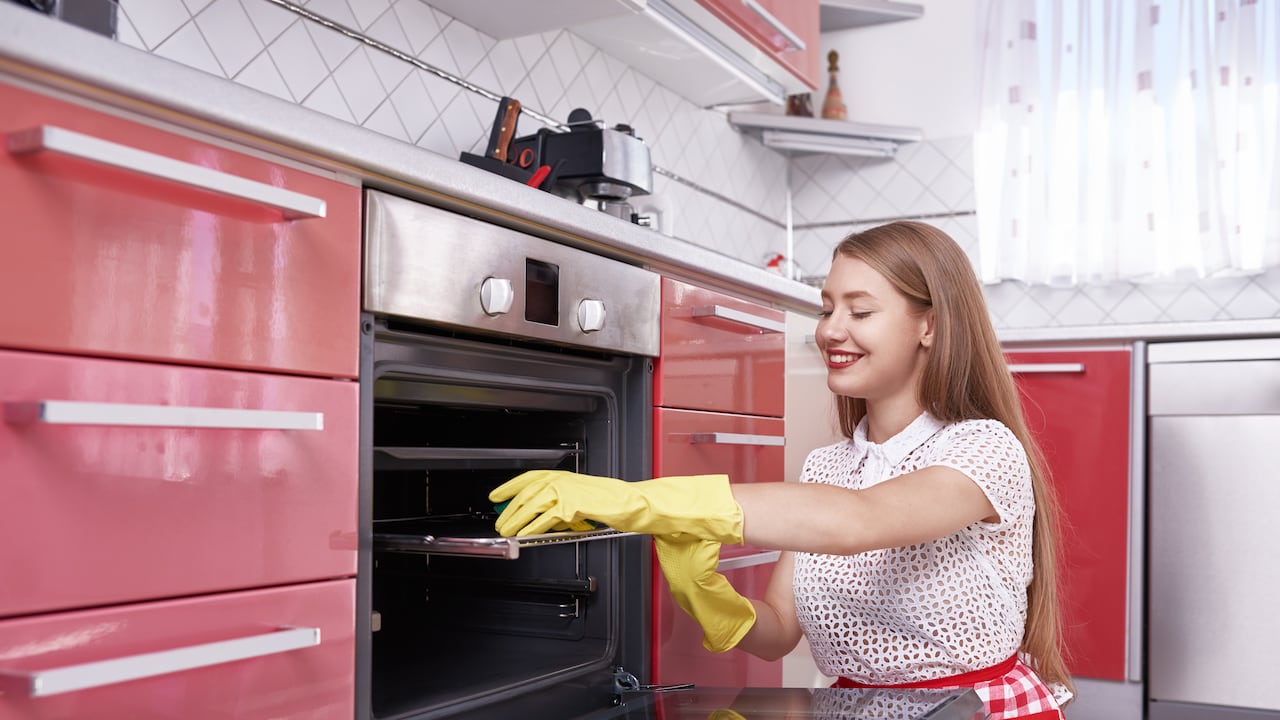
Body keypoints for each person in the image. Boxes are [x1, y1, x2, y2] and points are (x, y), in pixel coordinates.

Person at [489, 221, 1074, 720]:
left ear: (930, 326)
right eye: (826, 309)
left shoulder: (982, 448)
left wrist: (643, 499)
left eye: (860, 311)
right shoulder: (830, 466)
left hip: (969, 709)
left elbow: (861, 521)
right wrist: (710, 595)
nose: (830, 331)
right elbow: (780, 632)